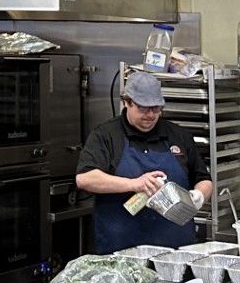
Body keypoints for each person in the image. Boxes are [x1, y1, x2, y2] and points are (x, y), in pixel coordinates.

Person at [77, 70, 213, 253]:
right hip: (122, 252)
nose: (150, 115)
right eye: (143, 108)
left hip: (175, 253)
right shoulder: (106, 135)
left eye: (156, 108)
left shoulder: (178, 135)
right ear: (127, 102)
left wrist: (198, 197)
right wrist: (134, 184)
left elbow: (204, 179)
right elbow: (85, 179)